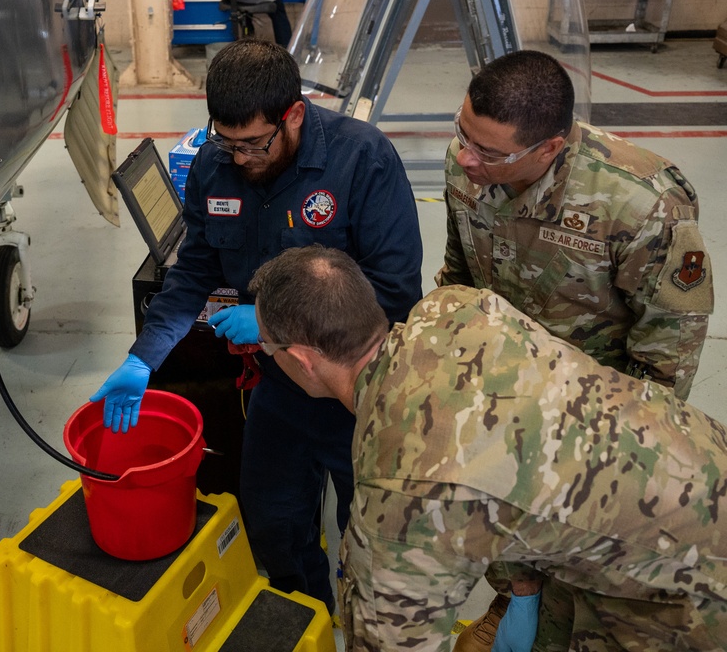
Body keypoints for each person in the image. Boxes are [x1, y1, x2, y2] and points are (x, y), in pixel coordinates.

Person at [249, 245, 727, 652]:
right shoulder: (456, 306)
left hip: (693, 586)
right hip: (703, 461)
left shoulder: (402, 492)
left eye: (266, 348)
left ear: (301, 361)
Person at [91, 39, 423, 614]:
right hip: (280, 384)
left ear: (292, 114)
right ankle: (308, 618)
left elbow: (394, 293)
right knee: (272, 522)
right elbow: (195, 268)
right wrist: (143, 358)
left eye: (254, 143)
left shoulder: (362, 160)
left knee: (368, 535)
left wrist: (272, 321)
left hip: (357, 395)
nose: (240, 158)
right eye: (227, 141)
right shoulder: (214, 167)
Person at [437, 49, 715, 649]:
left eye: (487, 152)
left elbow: (669, 344)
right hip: (507, 389)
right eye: (463, 133)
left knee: (582, 534)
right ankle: (514, 596)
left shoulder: (641, 203)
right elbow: (458, 273)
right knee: (499, 507)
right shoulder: (470, 167)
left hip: (601, 407)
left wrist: (625, 443)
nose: (464, 158)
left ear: (549, 148)